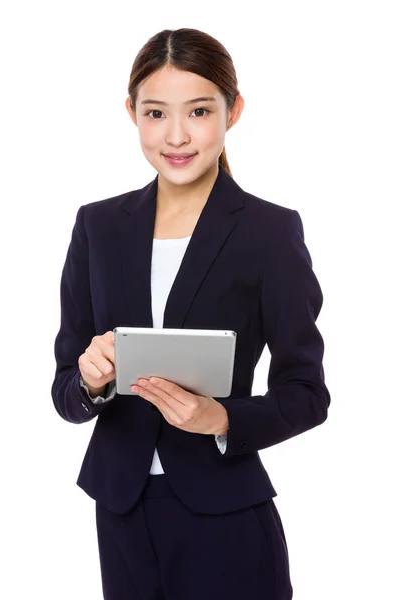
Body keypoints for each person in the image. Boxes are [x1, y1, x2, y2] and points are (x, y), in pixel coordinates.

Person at [51, 27, 331, 600]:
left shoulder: (269, 233)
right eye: (156, 113)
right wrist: (90, 379)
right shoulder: (98, 228)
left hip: (224, 515)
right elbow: (64, 393)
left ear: (233, 112)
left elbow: (307, 394)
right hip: (121, 511)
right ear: (132, 113)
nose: (176, 135)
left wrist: (223, 420)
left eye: (199, 110)